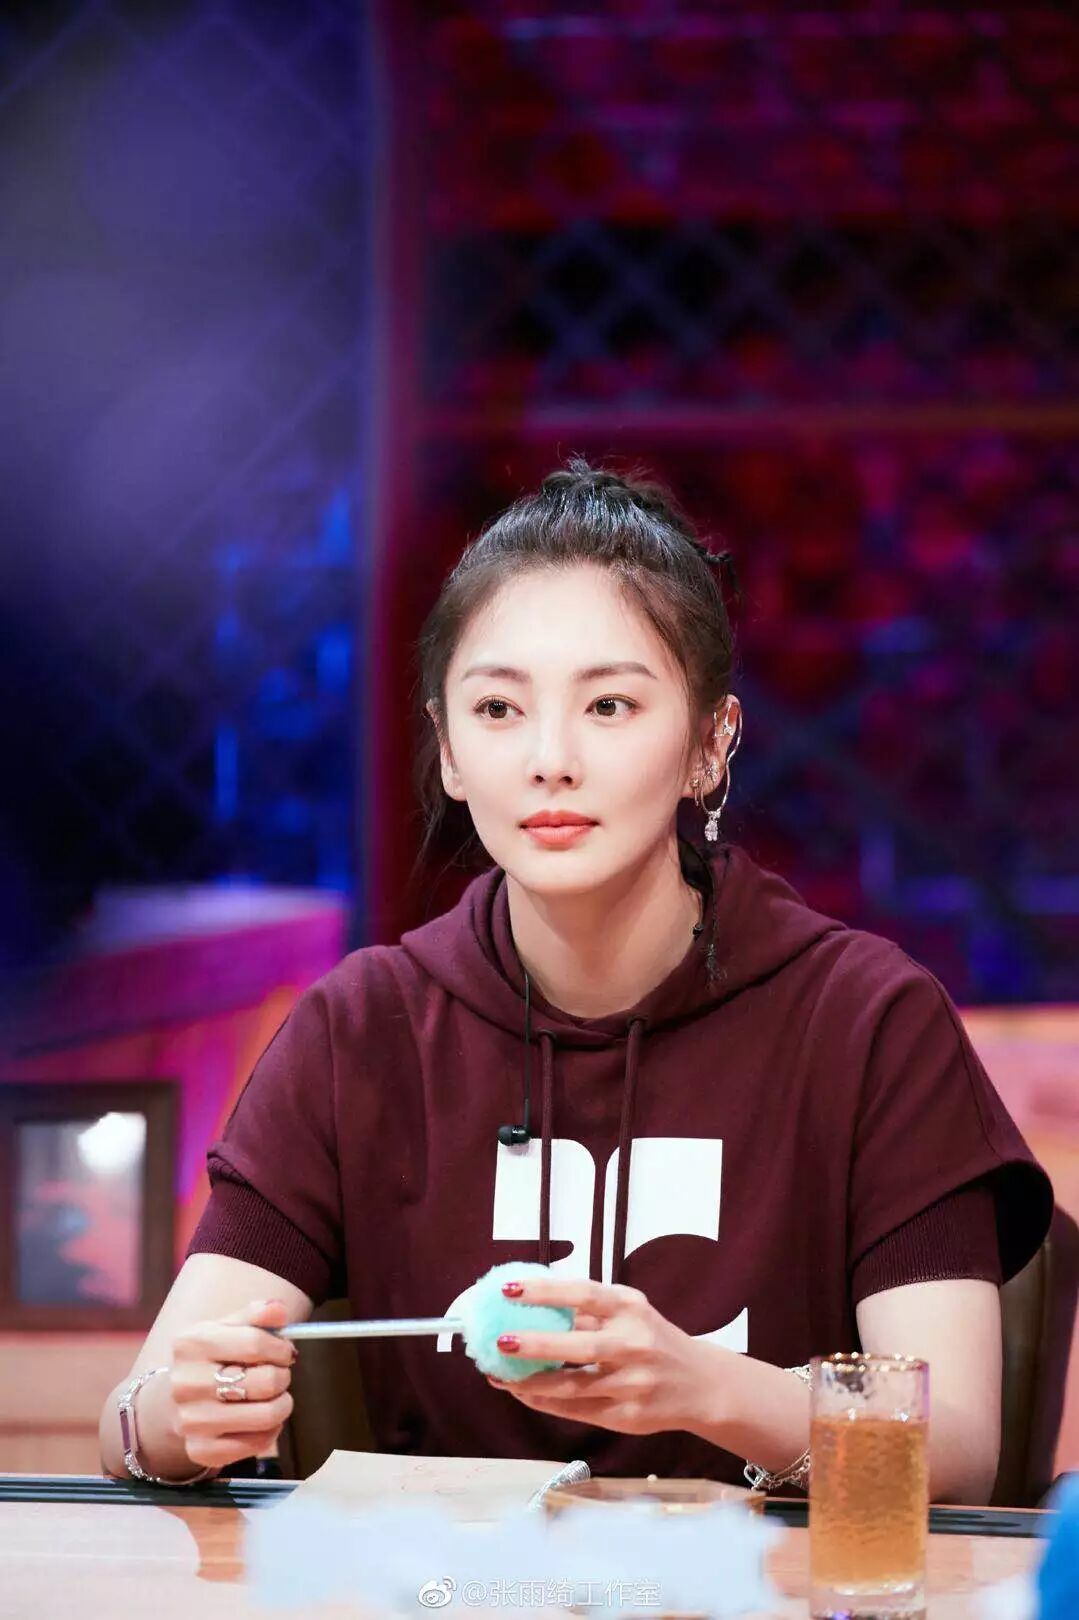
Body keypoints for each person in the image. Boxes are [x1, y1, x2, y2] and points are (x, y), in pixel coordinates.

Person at [99, 459, 1052, 1503]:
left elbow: (954, 1447)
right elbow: (134, 1415)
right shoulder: (362, 1029)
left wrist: (704, 1388)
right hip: (446, 1584)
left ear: (711, 743)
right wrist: (176, 1419)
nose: (548, 759)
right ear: (449, 751)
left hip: (768, 1583)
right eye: (498, 709)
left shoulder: (866, 1021)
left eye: (607, 705)